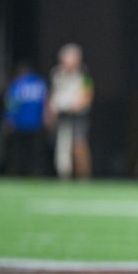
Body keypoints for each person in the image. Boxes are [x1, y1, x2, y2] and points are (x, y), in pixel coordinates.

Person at [46, 43, 94, 179]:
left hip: (78, 115)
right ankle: (64, 177)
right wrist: (51, 111)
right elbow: (52, 94)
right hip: (61, 116)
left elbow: (88, 95)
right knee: (61, 149)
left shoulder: (85, 75)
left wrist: (75, 106)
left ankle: (84, 178)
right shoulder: (56, 74)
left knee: (79, 146)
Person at [2, 62, 48, 176]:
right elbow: (46, 102)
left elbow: (12, 104)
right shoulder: (40, 83)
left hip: (20, 123)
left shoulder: (18, 84)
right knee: (35, 151)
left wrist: (9, 118)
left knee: (19, 150)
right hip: (36, 123)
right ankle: (35, 173)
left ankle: (18, 172)